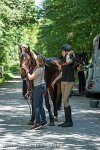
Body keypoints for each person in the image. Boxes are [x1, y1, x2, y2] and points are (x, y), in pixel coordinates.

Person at [52, 44, 75, 127]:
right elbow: (62, 72)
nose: (61, 52)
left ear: (66, 51)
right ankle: (67, 121)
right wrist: (55, 80)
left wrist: (68, 55)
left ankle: (69, 121)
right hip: (63, 81)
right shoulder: (64, 59)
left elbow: (69, 62)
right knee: (65, 101)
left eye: (62, 51)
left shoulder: (71, 58)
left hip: (69, 81)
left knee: (65, 100)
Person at [24, 54, 47, 129]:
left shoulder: (38, 69)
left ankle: (38, 123)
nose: (35, 59)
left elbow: (30, 78)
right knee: (40, 105)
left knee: (36, 106)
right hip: (42, 86)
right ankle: (44, 120)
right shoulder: (41, 67)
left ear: (39, 61)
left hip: (38, 87)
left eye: (37, 59)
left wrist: (27, 70)